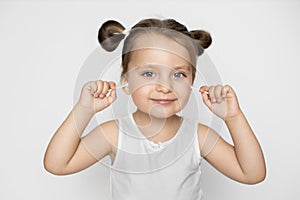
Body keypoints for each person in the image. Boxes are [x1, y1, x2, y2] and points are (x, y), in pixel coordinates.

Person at [43, 18, 266, 200]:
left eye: (178, 74)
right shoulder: (114, 134)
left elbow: (252, 174)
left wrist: (233, 117)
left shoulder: (198, 136)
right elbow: (57, 164)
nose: (165, 87)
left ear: (192, 81)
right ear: (126, 81)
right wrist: (84, 109)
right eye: (149, 73)